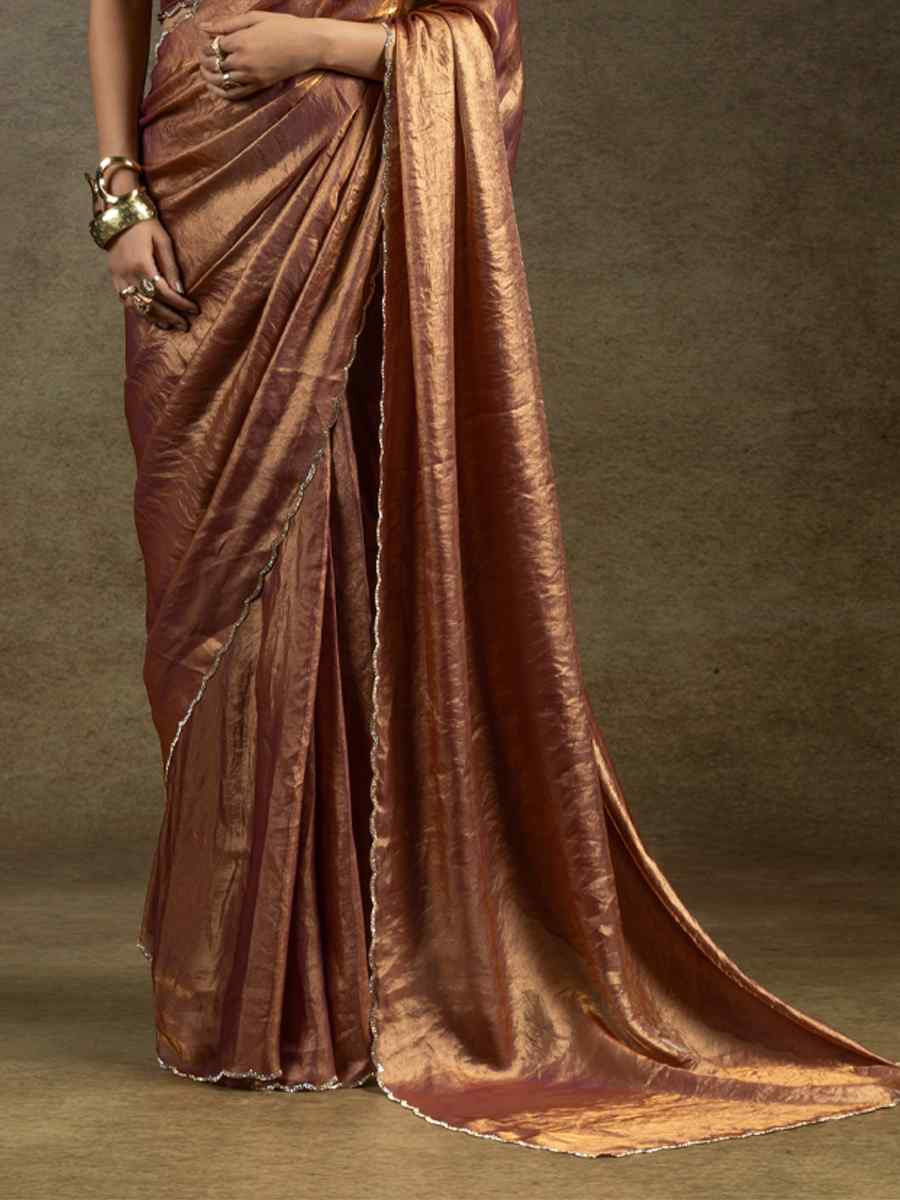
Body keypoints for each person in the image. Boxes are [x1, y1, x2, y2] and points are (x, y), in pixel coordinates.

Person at [86, 0, 900, 1159]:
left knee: (341, 554)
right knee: (210, 597)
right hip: (198, 199)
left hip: (355, 202)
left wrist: (323, 46)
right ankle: (240, 991)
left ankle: (337, 1005)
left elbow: (480, 38)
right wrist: (119, 194)